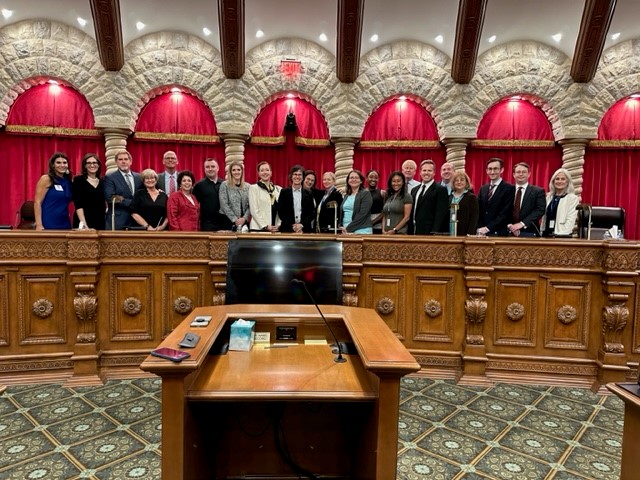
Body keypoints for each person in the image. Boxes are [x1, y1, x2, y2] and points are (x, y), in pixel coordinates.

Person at [476, 157, 515, 236]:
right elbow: (478, 210)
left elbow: (505, 213)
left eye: (495, 169)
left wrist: (488, 228)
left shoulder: (509, 188)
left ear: (501, 170)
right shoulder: (483, 188)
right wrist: (480, 227)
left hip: (499, 233)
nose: (492, 172)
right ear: (486, 171)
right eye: (490, 169)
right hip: (481, 233)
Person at [103, 150, 142, 230]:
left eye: (126, 159)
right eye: (120, 160)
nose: (123, 162)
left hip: (138, 220)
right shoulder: (110, 178)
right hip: (118, 220)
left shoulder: (139, 177)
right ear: (116, 162)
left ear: (130, 161)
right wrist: (132, 203)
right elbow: (110, 198)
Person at [34, 152, 73, 230]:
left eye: (64, 163)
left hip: (65, 222)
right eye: (58, 163)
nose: (62, 165)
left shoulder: (69, 181)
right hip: (48, 221)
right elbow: (37, 202)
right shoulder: (46, 179)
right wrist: (39, 224)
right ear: (53, 165)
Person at [411, 159, 449, 235]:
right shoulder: (414, 190)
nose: (426, 173)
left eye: (429, 170)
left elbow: (440, 214)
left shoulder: (441, 190)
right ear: (420, 173)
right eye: (424, 170)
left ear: (434, 173)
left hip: (430, 233)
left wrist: (434, 232)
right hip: (414, 231)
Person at [507, 162, 546, 237]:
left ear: (529, 174)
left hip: (530, 233)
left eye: (524, 172)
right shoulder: (507, 191)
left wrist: (521, 224)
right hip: (508, 233)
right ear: (514, 175)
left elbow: (540, 210)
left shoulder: (538, 191)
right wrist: (510, 226)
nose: (521, 174)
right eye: (518, 172)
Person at [193, 158, 230, 231]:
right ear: (204, 169)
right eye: (207, 167)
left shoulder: (225, 184)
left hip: (224, 225)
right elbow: (194, 206)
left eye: (213, 166)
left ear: (218, 168)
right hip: (207, 225)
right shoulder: (199, 185)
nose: (210, 169)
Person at [541, 168, 579, 237]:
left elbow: (571, 219)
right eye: (557, 179)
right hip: (546, 233)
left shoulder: (572, 198)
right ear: (553, 181)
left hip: (562, 235)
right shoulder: (548, 197)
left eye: (563, 179)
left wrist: (563, 233)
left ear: (567, 182)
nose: (559, 181)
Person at [72, 153, 105, 230]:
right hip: (83, 220)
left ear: (99, 165)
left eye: (94, 163)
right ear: (85, 166)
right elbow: (78, 204)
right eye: (88, 163)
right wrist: (84, 224)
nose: (92, 165)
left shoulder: (103, 181)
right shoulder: (78, 180)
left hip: (100, 221)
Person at [278, 165, 315, 233]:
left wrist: (301, 225)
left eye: (299, 175)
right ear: (291, 176)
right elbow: (281, 212)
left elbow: (312, 213)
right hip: (287, 229)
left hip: (305, 230)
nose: (297, 177)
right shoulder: (284, 192)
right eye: (295, 174)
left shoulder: (309, 193)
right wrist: (294, 226)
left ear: (303, 177)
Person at [248, 161, 281, 232]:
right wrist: (265, 226)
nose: (265, 172)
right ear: (258, 173)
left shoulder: (278, 189)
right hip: (258, 228)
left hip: (274, 229)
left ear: (271, 173)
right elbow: (254, 210)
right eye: (262, 170)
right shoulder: (253, 188)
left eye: (267, 170)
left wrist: (279, 224)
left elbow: (282, 210)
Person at [219, 160, 251, 232]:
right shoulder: (224, 185)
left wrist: (244, 218)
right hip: (227, 221)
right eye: (234, 170)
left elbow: (251, 205)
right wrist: (234, 219)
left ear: (242, 171)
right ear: (230, 172)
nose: (236, 172)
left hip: (244, 222)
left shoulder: (248, 186)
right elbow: (224, 205)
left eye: (238, 170)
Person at [339, 169, 373, 234]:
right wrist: (341, 226)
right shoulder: (346, 196)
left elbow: (362, 214)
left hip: (361, 230)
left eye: (356, 178)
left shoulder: (366, 194)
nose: (353, 179)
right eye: (351, 178)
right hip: (345, 230)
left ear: (361, 181)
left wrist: (348, 228)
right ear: (348, 181)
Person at [449, 171, 479, 236]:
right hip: (450, 230)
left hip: (464, 232)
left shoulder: (471, 197)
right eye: (456, 180)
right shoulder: (450, 197)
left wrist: (470, 233)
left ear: (466, 182)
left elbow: (474, 217)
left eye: (462, 180)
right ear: (453, 183)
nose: (459, 182)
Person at [366, 169, 387, 234]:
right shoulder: (362, 193)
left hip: (378, 225)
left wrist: (373, 222)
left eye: (376, 177)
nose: (373, 179)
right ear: (366, 178)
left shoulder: (383, 193)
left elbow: (385, 211)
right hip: (364, 223)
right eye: (371, 177)